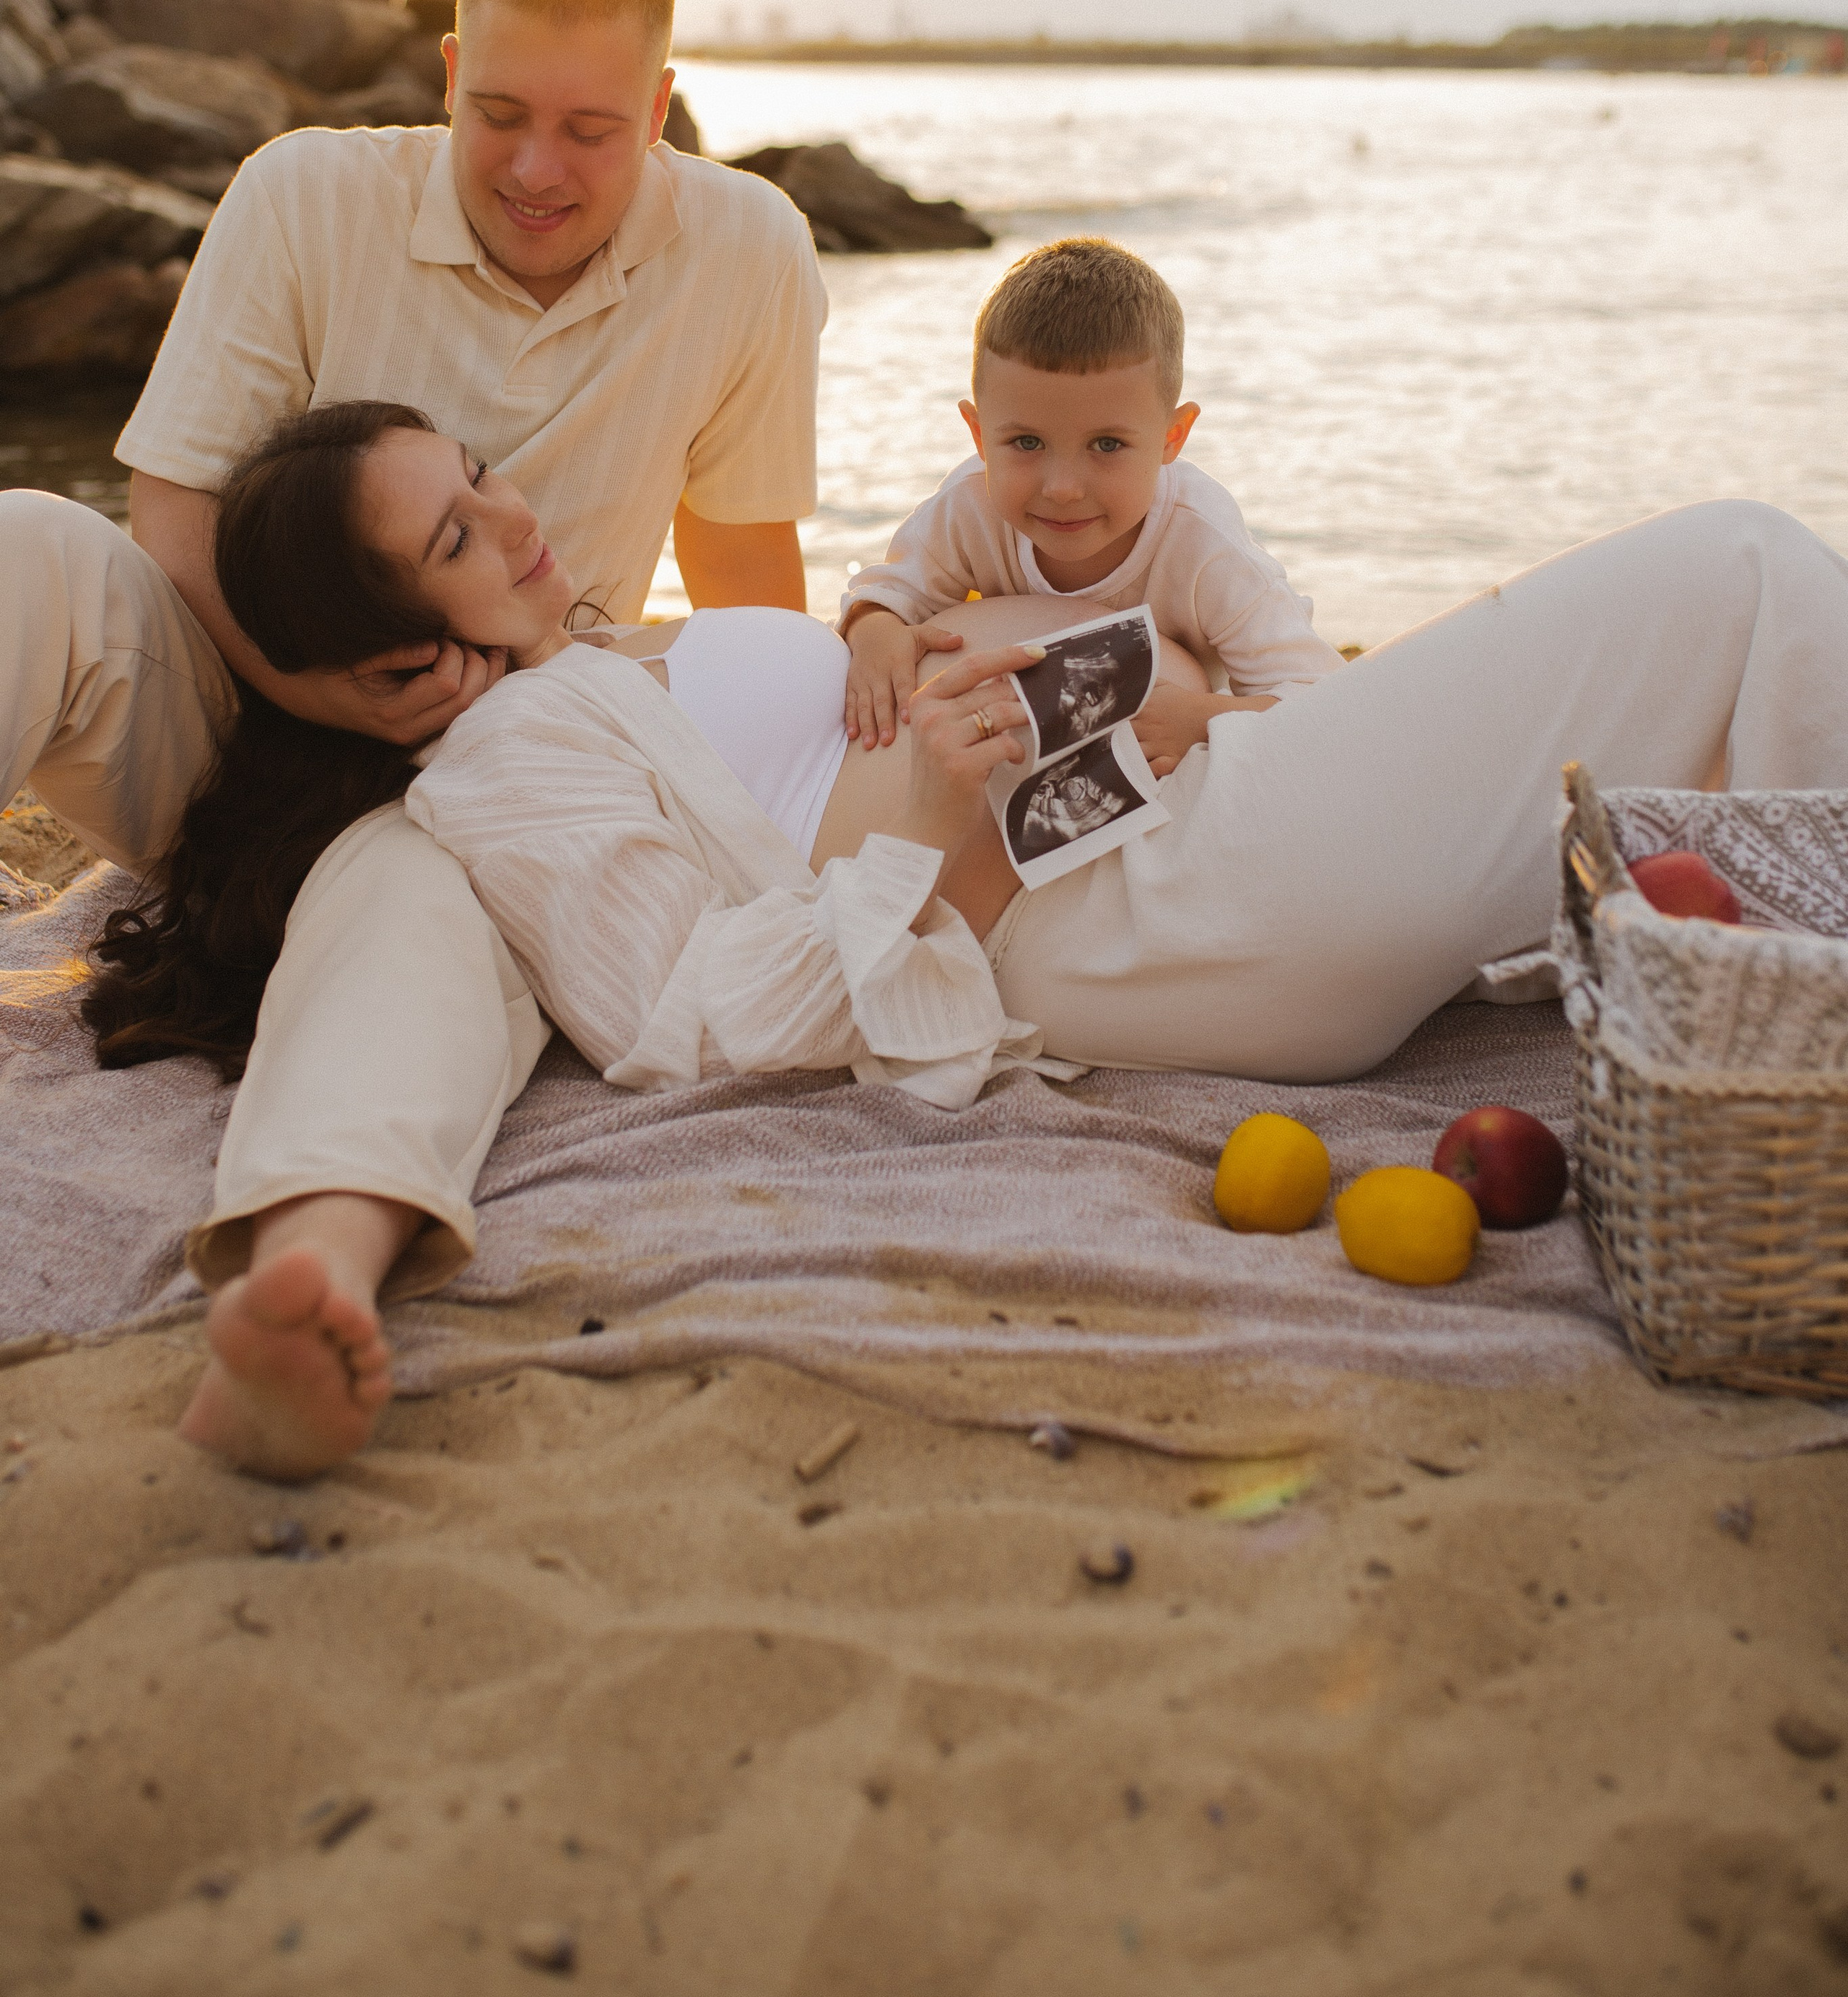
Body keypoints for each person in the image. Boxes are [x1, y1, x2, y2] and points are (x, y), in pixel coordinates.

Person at [87, 400, 1848, 1480]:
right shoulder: (497, 765)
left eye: (477, 473)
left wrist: (1107, 698)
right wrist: (939, 825)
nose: (517, 512)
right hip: (1116, 908)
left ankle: (1785, 1021)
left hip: (1147, 838)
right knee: (1739, 574)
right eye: (458, 532)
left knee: (1665, 692)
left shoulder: (579, 670)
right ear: (394, 660)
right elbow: (695, 1015)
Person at [1, 0, 827, 1410]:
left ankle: (304, 1280)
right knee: (35, 545)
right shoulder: (304, 195)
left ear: (660, 106)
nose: (533, 168)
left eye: (591, 130)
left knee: (418, 939)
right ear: (447, 70)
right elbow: (171, 522)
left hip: (496, 788)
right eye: (498, 111)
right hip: (241, 718)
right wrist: (320, 685)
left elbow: (749, 608)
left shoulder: (748, 249)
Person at [837, 237, 1344, 763]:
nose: (1062, 488)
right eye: (1026, 443)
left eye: (1107, 445)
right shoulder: (970, 510)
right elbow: (887, 593)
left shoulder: (1203, 546)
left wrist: (1201, 720)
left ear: (1173, 437)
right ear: (978, 433)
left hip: (1158, 759)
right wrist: (876, 632)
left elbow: (1325, 699)